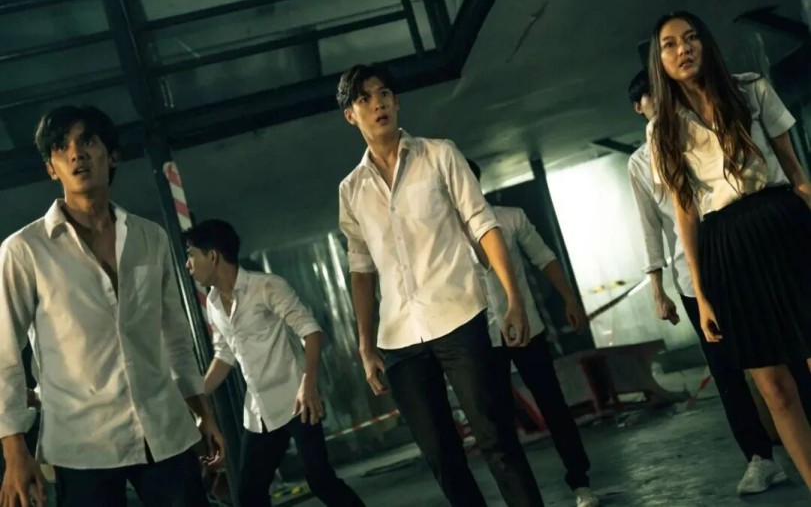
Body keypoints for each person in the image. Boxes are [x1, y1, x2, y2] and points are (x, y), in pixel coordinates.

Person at [337, 64, 544, 506]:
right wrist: (366, 345)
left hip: (459, 317)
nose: (378, 104)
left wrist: (513, 298)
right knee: (441, 456)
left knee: (496, 439)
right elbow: (361, 269)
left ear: (396, 101)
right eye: (365, 99)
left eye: (384, 93)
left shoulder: (439, 154)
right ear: (351, 115)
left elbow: (482, 224)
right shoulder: (351, 190)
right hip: (399, 338)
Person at [0, 105, 223, 506]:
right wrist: (14, 451)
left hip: (164, 430)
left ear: (113, 155)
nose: (76, 154)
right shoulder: (24, 251)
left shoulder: (149, 238)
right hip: (81, 442)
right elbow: (4, 357)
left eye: (87, 141)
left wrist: (202, 413)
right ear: (51, 168)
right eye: (61, 147)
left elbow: (174, 336)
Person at [647, 11, 811, 491]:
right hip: (726, 246)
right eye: (670, 44)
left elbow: (796, 172)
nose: (683, 49)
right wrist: (701, 294)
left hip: (784, 224)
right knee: (774, 388)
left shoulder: (751, 89)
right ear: (660, 59)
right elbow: (685, 213)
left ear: (706, 44)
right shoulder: (661, 130)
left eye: (692, 38)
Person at [184, 219, 364, 507]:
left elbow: (311, 332)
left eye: (191, 255)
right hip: (259, 412)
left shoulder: (267, 287)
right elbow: (224, 355)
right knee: (249, 495)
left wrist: (308, 385)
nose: (188, 264)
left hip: (297, 402)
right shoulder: (213, 304)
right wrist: (196, 395)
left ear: (213, 256)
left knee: (321, 481)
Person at [467, 160, 599, 507]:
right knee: (497, 423)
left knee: (553, 405)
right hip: (482, 338)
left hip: (526, 327)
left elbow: (544, 258)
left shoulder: (511, 217)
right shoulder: (447, 235)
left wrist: (569, 298)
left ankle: (580, 482)